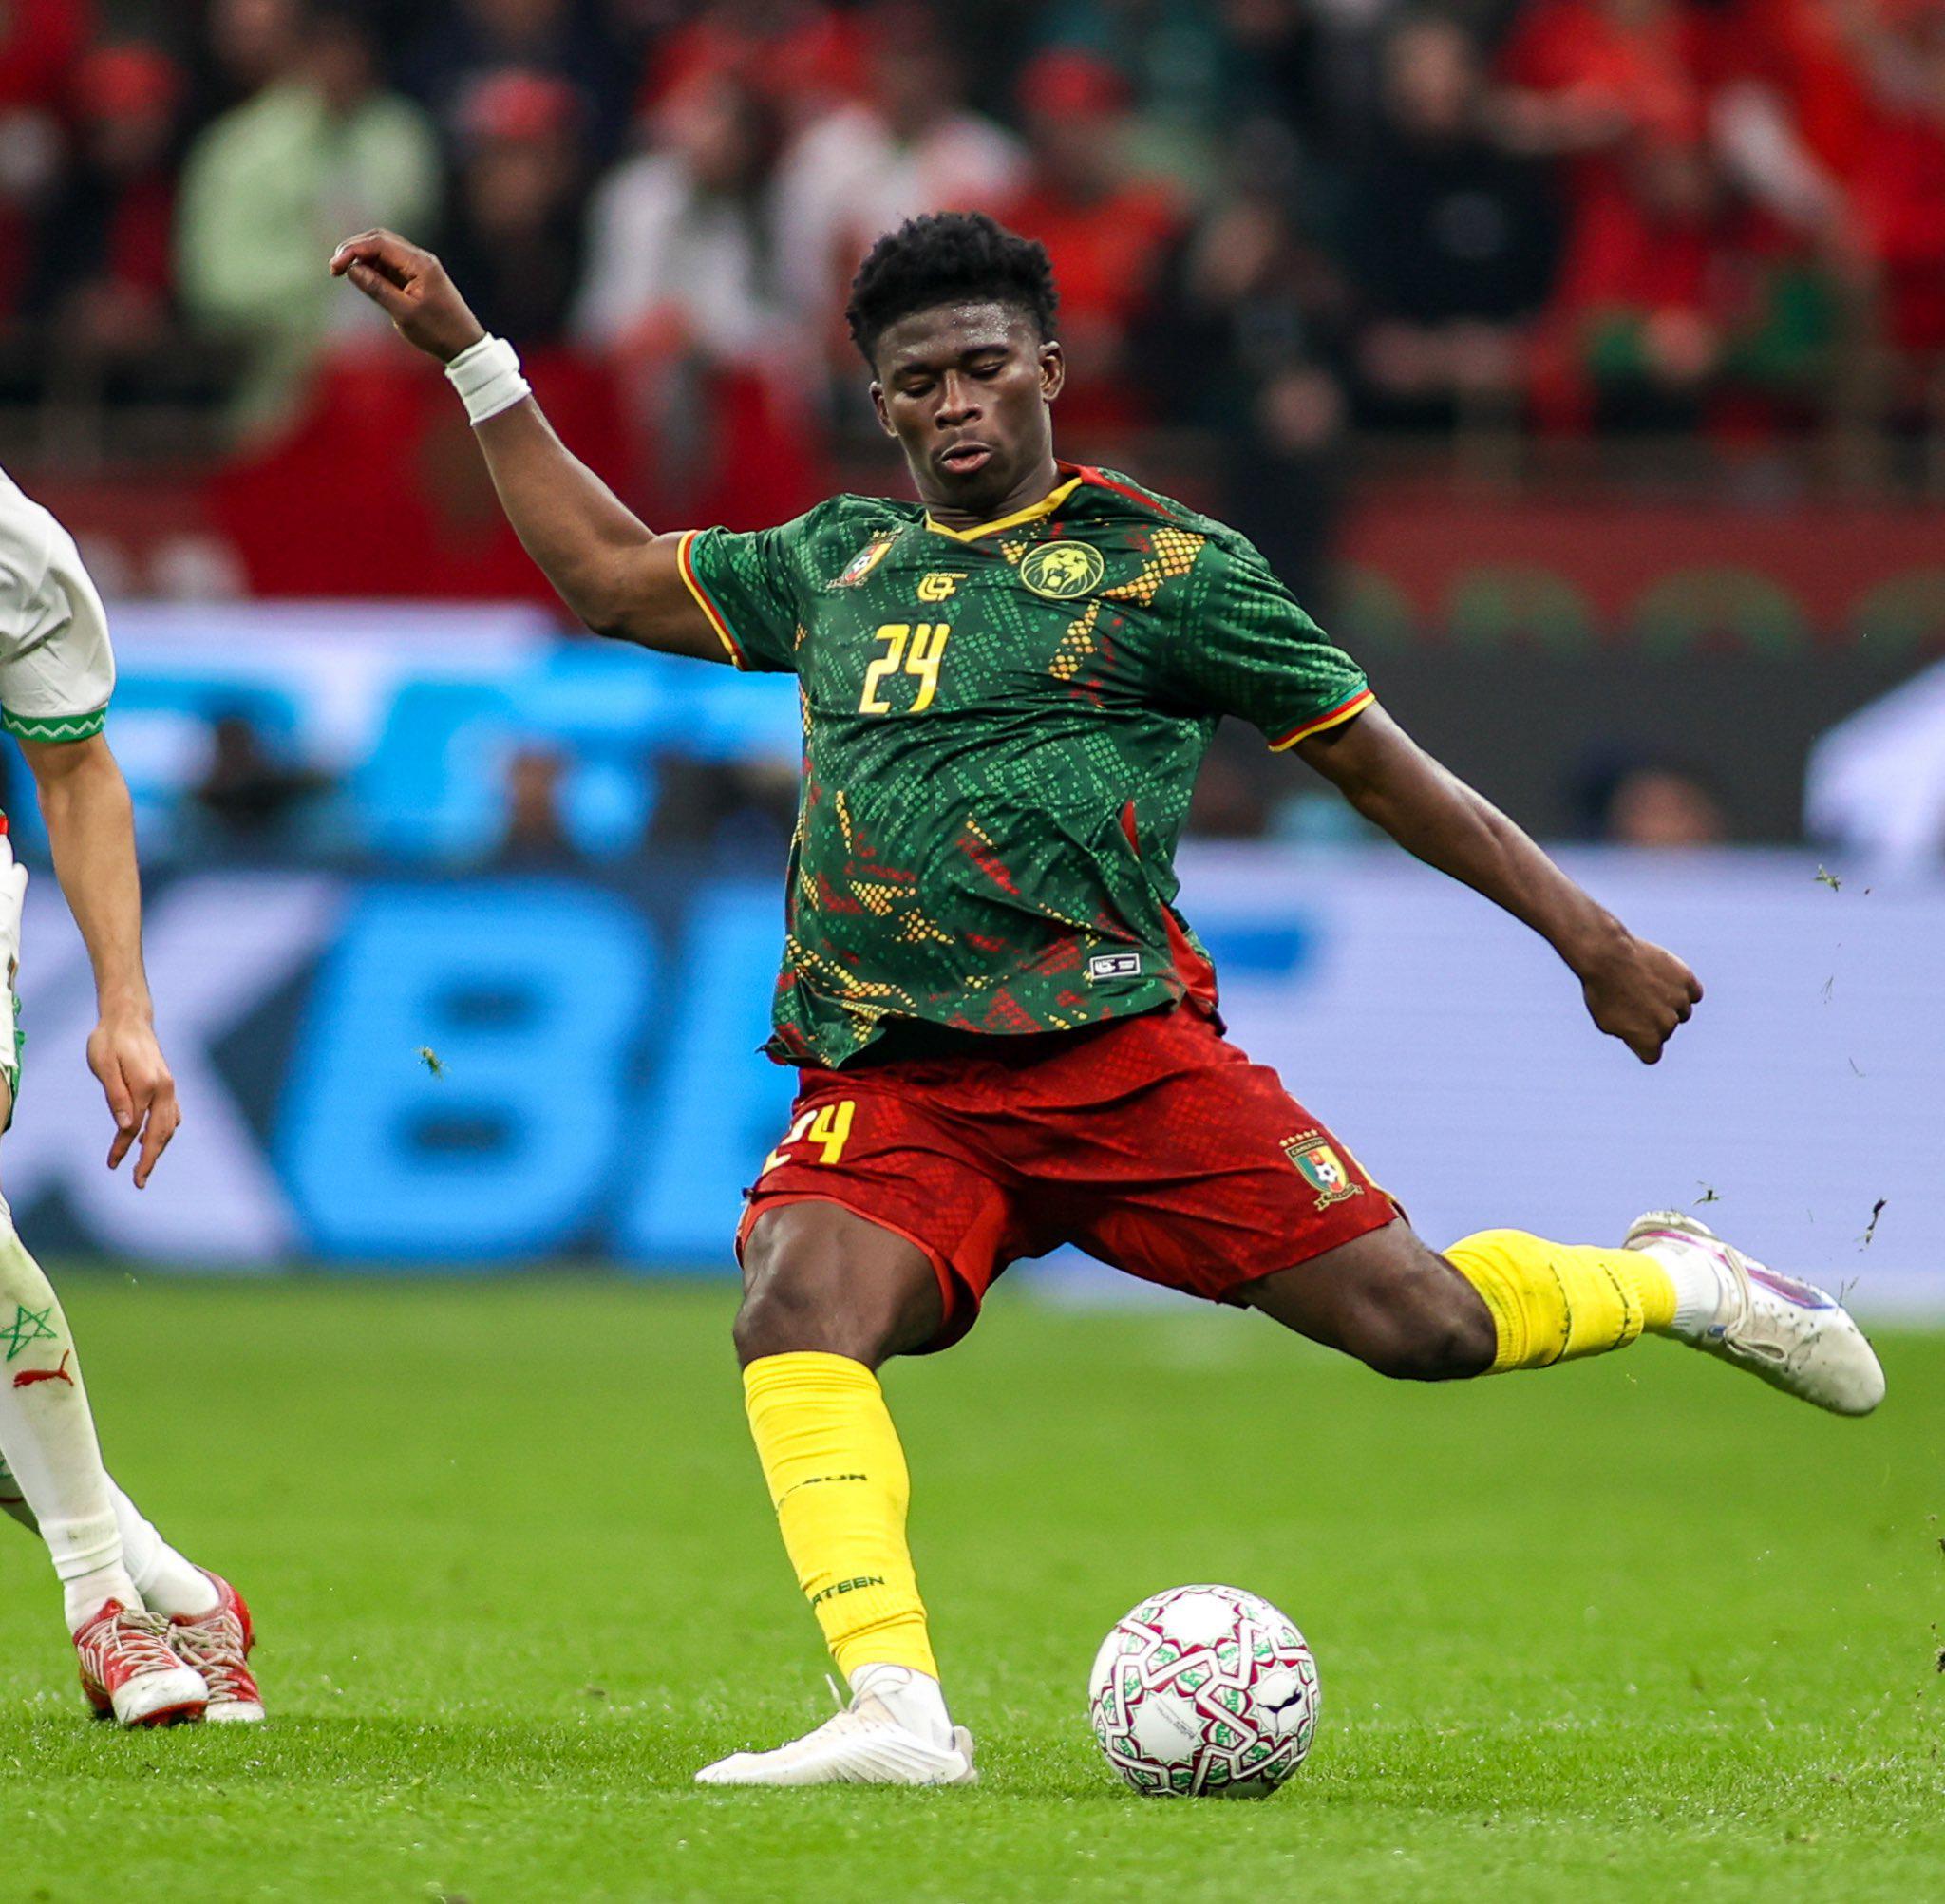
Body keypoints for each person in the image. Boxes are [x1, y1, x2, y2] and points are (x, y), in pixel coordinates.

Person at [332, 209, 1883, 1788]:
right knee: (794, 1307)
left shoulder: (1171, 570)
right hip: (902, 1079)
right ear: (882, 404)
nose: (954, 403)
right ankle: (895, 1708)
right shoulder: (839, 564)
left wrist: (1589, 937)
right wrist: (474, 357)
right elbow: (609, 578)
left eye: (983, 367)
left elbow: (1381, 769)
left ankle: (1683, 1281)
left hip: (1124, 1063)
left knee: (1426, 1327)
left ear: (1051, 371)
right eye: (919, 381)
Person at [0, 465, 263, 1725]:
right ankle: (179, 1590)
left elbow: (74, 771)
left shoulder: (12, 543)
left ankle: (100, 1597)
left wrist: (125, 1004)